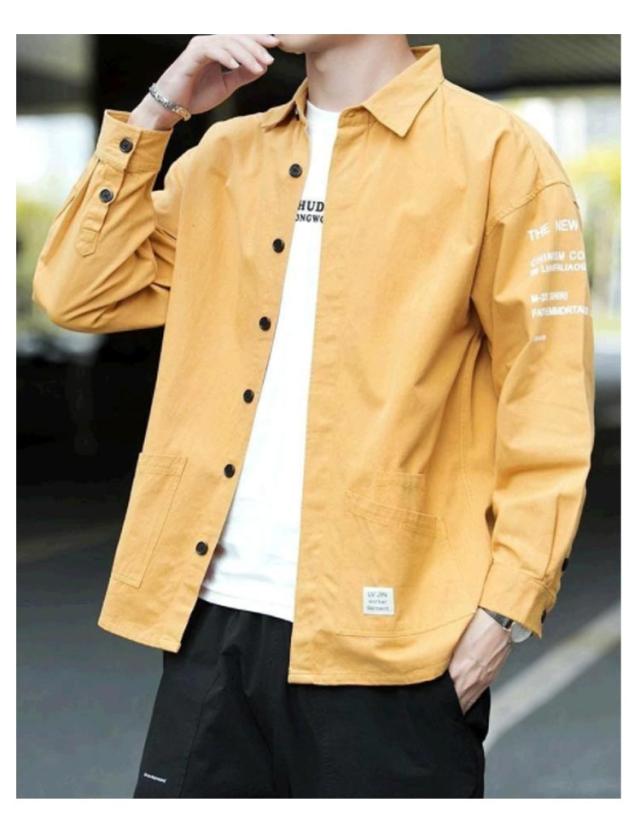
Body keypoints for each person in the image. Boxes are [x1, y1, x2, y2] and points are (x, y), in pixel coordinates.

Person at [31, 34, 595, 798]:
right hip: (213, 624)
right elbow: (77, 290)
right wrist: (160, 108)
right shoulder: (227, 154)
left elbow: (549, 405)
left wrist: (504, 612)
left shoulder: (499, 155)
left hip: (396, 644)